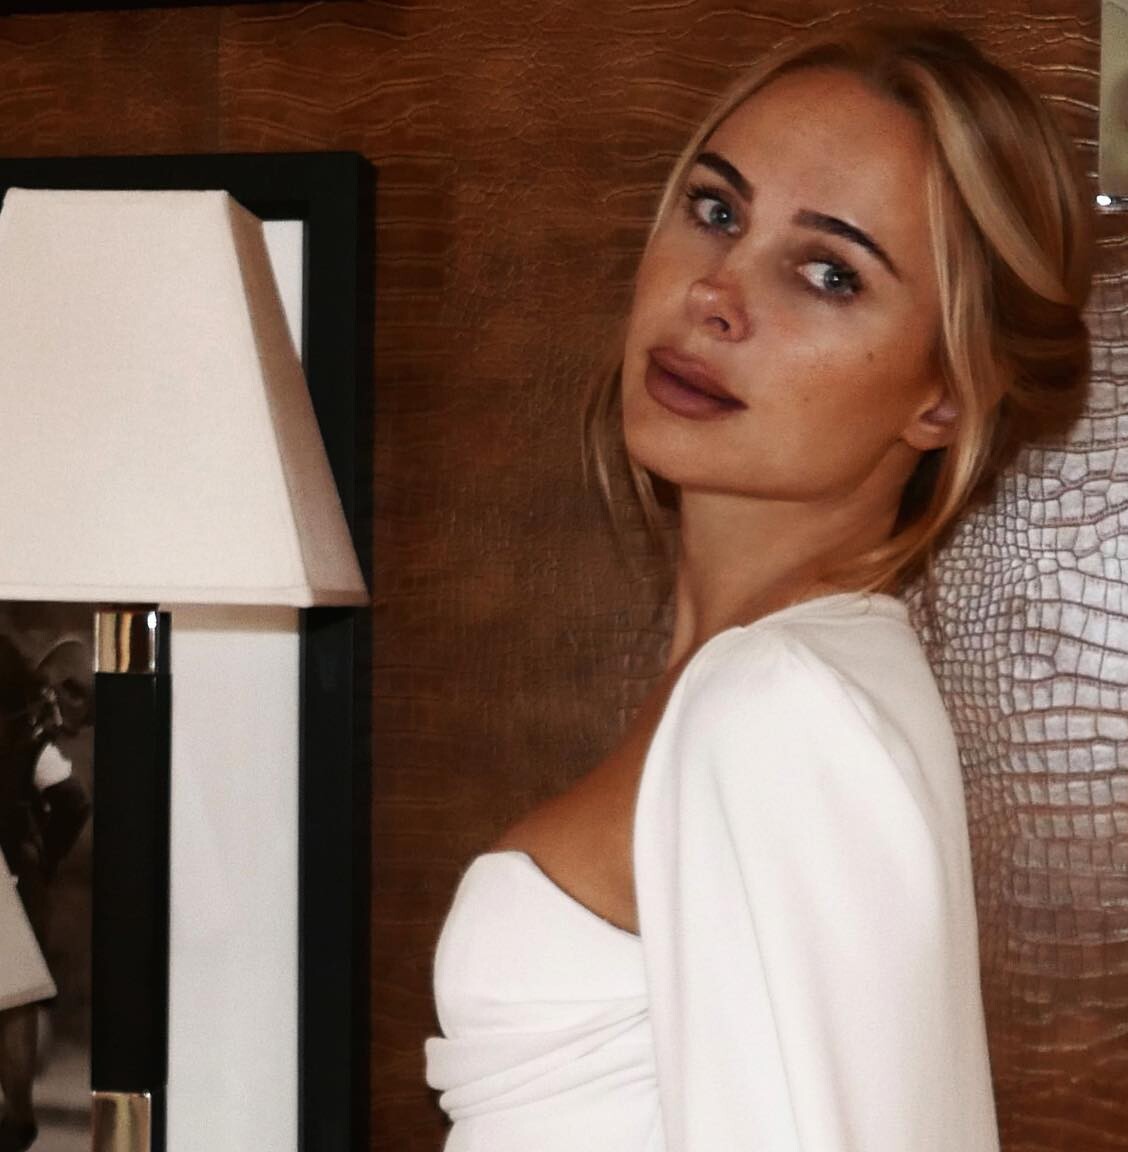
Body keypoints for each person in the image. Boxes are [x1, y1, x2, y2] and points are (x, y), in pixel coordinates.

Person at [427, 18, 1092, 1152]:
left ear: (946, 394)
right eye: (716, 210)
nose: (717, 293)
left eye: (831, 273)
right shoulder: (791, 680)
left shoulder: (781, 702)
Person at [0, 636, 93, 1152]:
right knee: (17, 999)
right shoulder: (29, 738)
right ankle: (17, 1110)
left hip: (15, 870)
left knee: (16, 998)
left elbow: (73, 801)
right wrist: (44, 856)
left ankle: (17, 1111)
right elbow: (72, 800)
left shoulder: (27, 735)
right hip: (16, 870)